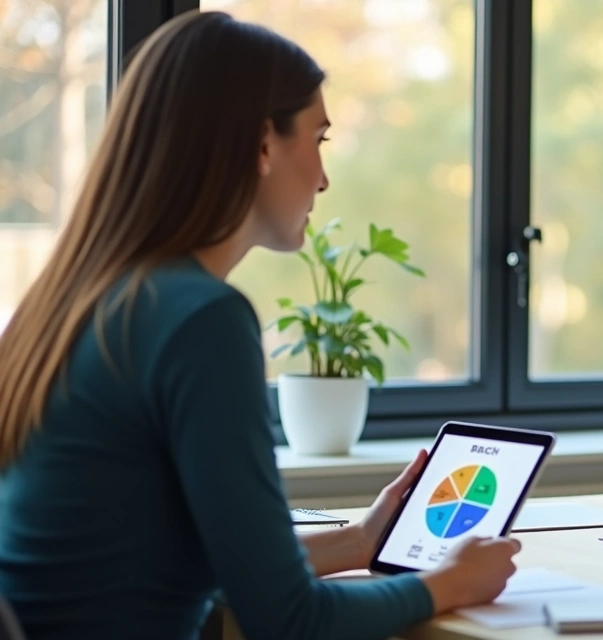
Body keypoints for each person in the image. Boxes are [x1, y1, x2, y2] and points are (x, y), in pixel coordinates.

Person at [0, 11, 519, 639]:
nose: (324, 178)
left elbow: (194, 568)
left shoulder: (77, 302)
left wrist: (359, 541)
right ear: (263, 145)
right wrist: (447, 585)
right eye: (319, 139)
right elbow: (287, 620)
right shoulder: (200, 321)